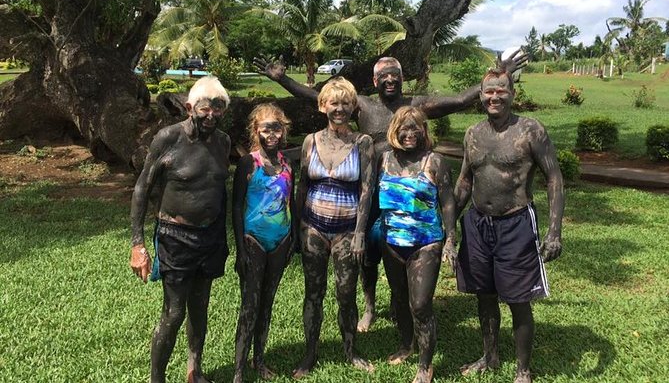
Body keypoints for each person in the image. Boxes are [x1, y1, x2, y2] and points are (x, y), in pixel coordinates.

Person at [253, 52, 527, 332]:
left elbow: (458, 100)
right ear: (375, 81)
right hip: (370, 191)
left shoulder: (416, 105)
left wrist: (495, 76)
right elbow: (318, 97)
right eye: (383, 75)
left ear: (402, 77)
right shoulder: (363, 105)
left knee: (405, 245)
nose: (390, 79)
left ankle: (404, 302)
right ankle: (370, 306)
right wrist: (283, 79)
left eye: (395, 74)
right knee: (366, 253)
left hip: (405, 192)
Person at [453, 68, 564, 383]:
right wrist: (446, 223)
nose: (494, 97)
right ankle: (489, 356)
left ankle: (523, 370)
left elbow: (554, 178)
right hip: (477, 224)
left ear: (513, 94)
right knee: (484, 295)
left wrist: (554, 232)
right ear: (480, 95)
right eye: (489, 91)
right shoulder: (473, 133)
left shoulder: (530, 130)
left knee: (518, 299)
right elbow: (464, 181)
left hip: (516, 223)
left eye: (501, 91)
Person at [129, 76, 231, 383]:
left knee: (200, 308)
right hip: (175, 238)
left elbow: (219, 191)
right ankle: (156, 379)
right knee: (174, 313)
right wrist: (137, 244)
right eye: (204, 108)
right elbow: (142, 188)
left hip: (210, 237)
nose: (211, 115)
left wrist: (222, 239)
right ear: (189, 108)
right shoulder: (168, 138)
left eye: (218, 108)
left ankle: (194, 371)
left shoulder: (223, 142)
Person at [292, 77, 375, 378]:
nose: (339, 109)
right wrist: (297, 229)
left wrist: (360, 233)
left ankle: (351, 350)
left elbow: (367, 190)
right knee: (313, 293)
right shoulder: (310, 141)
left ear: (353, 107)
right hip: (313, 228)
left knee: (346, 293)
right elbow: (303, 185)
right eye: (333, 103)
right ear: (322, 106)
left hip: (346, 231)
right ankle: (310, 353)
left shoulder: (362, 143)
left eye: (346, 103)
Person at [377, 106, 457, 383]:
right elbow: (370, 198)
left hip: (425, 243)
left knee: (420, 305)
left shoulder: (434, 161)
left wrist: (450, 239)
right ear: (394, 130)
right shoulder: (384, 159)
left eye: (415, 128)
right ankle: (406, 344)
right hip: (391, 242)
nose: (409, 133)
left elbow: (448, 202)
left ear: (424, 130)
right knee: (400, 300)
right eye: (404, 128)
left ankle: (425, 366)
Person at [232, 103, 295, 382]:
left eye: (277, 128)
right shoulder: (248, 163)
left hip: (280, 241)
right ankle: (238, 370)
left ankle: (259, 360)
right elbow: (236, 207)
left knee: (267, 303)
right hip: (253, 241)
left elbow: (291, 201)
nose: (272, 134)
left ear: (283, 131)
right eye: (266, 129)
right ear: (256, 130)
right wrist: (240, 249)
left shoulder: (287, 164)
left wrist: (293, 238)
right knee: (250, 305)